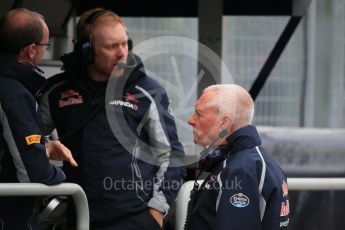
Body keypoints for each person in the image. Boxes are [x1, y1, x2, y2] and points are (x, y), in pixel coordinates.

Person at [40, 8, 186, 229]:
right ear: (87, 52)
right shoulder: (57, 91)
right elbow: (24, 140)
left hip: (134, 218)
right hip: (76, 214)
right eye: (111, 46)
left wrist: (156, 211)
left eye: (125, 44)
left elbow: (171, 155)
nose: (121, 53)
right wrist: (45, 148)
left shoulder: (146, 92)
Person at [0, 8, 77, 230]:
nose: (44, 51)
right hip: (10, 215)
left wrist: (43, 146)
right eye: (45, 46)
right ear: (31, 50)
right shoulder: (13, 94)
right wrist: (62, 178)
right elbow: (34, 173)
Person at [186, 84, 289, 230]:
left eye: (199, 114)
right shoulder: (248, 161)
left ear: (224, 122)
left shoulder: (241, 170)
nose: (190, 120)